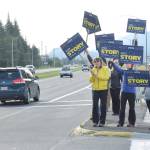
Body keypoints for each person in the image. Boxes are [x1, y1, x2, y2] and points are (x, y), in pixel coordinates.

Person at [109, 61, 136, 127]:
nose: (127, 64)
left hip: (132, 93)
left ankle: (131, 123)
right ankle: (121, 123)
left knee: (131, 108)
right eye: (126, 63)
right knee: (122, 108)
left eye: (128, 63)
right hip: (124, 92)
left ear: (132, 65)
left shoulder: (135, 72)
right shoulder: (124, 71)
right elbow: (118, 69)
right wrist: (113, 63)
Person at [90, 57, 110, 127]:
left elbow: (106, 77)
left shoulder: (106, 69)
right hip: (95, 89)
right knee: (95, 106)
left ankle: (102, 122)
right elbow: (91, 81)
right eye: (95, 62)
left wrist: (97, 76)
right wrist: (92, 75)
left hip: (103, 89)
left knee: (103, 106)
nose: (97, 63)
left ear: (101, 62)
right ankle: (95, 121)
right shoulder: (93, 69)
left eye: (98, 62)